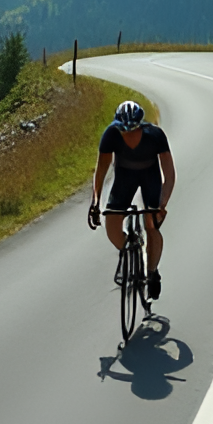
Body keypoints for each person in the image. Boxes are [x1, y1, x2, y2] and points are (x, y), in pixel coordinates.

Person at [88, 100, 175, 300]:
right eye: (123, 130)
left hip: (149, 177)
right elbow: (101, 171)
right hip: (124, 178)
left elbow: (169, 175)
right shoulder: (110, 134)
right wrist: (95, 202)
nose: (127, 134)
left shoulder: (155, 136)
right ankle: (131, 249)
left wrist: (162, 205)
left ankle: (152, 272)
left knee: (151, 225)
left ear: (141, 125)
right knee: (111, 225)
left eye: (133, 129)